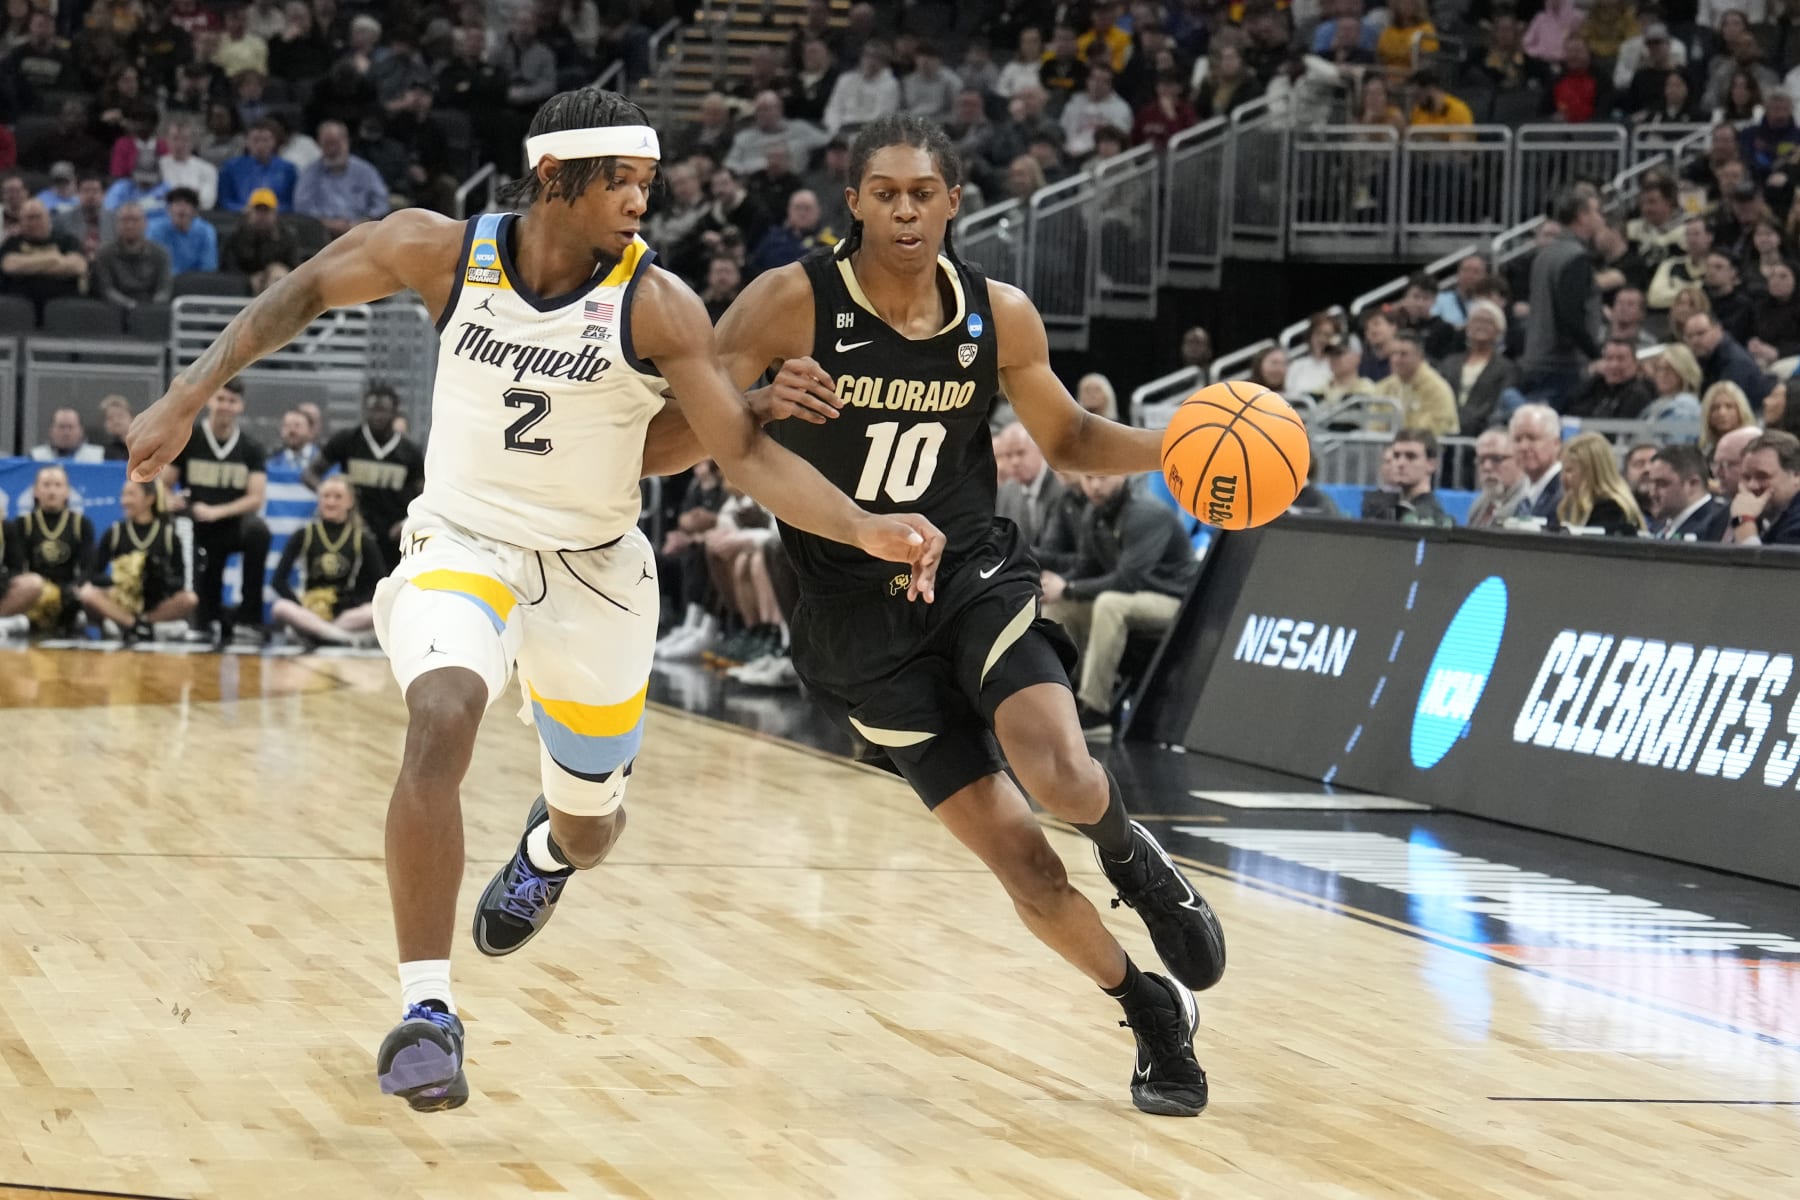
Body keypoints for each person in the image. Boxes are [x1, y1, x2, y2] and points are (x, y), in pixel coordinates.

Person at [123, 86, 943, 1113]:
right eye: (624, 186)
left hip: (595, 570)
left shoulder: (660, 305)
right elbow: (303, 292)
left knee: (591, 825)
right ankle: (428, 1011)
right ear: (554, 179)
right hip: (464, 544)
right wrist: (186, 393)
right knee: (441, 714)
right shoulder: (438, 251)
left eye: (649, 184)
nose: (643, 203)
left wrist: (865, 526)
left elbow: (735, 453)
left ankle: (550, 850)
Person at [687, 114, 1217, 1119]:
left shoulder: (998, 312)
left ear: (952, 201)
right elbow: (688, 433)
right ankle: (1149, 1009)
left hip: (970, 571)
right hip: (853, 619)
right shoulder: (789, 300)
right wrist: (754, 398)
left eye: (921, 192)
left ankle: (1131, 854)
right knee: (1019, 859)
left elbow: (1064, 434)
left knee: (1060, 769)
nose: (903, 209)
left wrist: (1178, 448)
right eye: (883, 192)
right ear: (853, 201)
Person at [165, 380, 271, 648]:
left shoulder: (251, 448)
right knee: (189, 538)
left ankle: (249, 619)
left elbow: (256, 499)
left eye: (232, 401)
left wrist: (216, 511)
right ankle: (199, 615)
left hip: (231, 523)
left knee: (259, 532)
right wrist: (169, 499)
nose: (225, 406)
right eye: (221, 399)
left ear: (240, 406)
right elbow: (162, 483)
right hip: (196, 524)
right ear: (210, 401)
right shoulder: (190, 439)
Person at [304, 385, 425, 569]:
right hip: (352, 529)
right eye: (372, 410)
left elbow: (425, 494)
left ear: (394, 412)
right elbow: (310, 474)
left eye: (382, 410)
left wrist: (406, 523)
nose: (377, 416)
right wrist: (331, 496)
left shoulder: (409, 450)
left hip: (393, 534)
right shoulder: (347, 440)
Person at [269, 476, 386, 646]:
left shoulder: (361, 539)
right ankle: (343, 638)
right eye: (326, 496)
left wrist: (349, 602)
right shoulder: (304, 534)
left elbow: (381, 583)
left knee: (374, 612)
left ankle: (317, 634)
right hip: (309, 612)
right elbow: (278, 581)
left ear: (350, 502)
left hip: (344, 614)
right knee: (280, 607)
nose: (331, 502)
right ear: (319, 500)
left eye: (338, 497)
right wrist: (303, 605)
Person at [77, 479, 197, 645]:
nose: (124, 501)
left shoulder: (168, 535)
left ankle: (143, 622)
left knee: (189, 599)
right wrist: (121, 580)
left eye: (131, 495)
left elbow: (180, 579)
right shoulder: (115, 532)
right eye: (123, 495)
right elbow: (92, 574)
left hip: (154, 600)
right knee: (87, 594)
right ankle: (134, 624)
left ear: (149, 498)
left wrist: (156, 581)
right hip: (122, 598)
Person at [10, 465, 95, 636]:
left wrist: (73, 588)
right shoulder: (23, 524)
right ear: (35, 491)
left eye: (58, 485)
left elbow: (88, 567)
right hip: (34, 592)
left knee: (88, 591)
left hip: (69, 592)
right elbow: (16, 568)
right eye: (46, 485)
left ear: (67, 492)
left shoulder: (81, 524)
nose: (52, 491)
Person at [1, 199, 87, 317]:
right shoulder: (12, 243)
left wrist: (27, 266)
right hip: (20, 310)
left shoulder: (67, 240)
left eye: (38, 217)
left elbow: (78, 266)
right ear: (21, 222)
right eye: (29, 218)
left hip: (65, 309)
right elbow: (10, 265)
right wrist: (54, 259)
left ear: (48, 218)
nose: (34, 222)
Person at [1556, 432, 1646, 536]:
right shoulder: (1572, 506)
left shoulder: (1612, 511)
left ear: (1590, 472)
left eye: (1569, 470)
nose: (1563, 477)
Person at [1362, 428, 1454, 526]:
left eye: (1411, 456)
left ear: (1431, 465)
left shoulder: (1434, 518)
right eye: (1396, 456)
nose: (1400, 463)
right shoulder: (1381, 507)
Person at [92, 202, 174, 311]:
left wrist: (150, 308)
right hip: (115, 310)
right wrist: (132, 306)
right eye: (124, 220)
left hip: (152, 310)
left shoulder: (161, 253)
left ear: (145, 224)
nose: (130, 225)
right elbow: (107, 289)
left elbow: (164, 290)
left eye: (135, 220)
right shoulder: (104, 253)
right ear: (117, 225)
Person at [1728, 430, 1800, 544]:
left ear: (1796, 475)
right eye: (1746, 477)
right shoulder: (1758, 516)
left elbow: (1771, 562)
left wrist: (1744, 521)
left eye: (1762, 476)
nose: (1752, 486)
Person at [1647, 443, 1730, 541]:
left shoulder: (1721, 523)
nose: (1652, 493)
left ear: (1693, 484)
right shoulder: (1660, 526)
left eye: (1662, 484)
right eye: (1651, 483)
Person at [1509, 403, 1564, 523]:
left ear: (1556, 443)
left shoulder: (1566, 491)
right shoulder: (1520, 492)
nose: (1523, 447)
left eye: (1532, 438)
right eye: (1517, 439)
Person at [1465, 428, 1528, 528]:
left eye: (1497, 459)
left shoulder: (1528, 504)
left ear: (1519, 461)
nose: (1487, 467)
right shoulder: (1479, 505)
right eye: (1481, 460)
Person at [30, 408, 106, 463]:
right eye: (61, 427)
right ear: (51, 431)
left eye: (70, 427)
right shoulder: (36, 457)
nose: (66, 433)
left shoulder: (99, 456)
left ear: (81, 431)